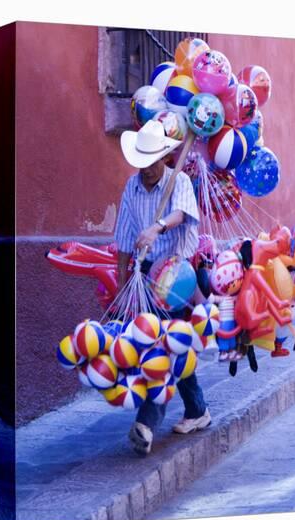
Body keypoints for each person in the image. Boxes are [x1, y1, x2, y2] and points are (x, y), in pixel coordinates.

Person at [114, 120, 211, 455]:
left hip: (176, 279)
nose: (147, 170)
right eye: (141, 163)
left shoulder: (178, 181)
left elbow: (183, 215)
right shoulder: (132, 188)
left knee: (163, 351)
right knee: (174, 348)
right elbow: (125, 240)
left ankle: (146, 424)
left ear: (164, 159)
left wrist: (156, 227)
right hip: (145, 281)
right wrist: (121, 285)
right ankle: (198, 409)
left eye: (152, 163)